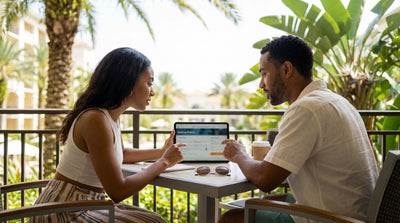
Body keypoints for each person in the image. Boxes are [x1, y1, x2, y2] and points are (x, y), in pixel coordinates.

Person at [219, 35, 379, 223]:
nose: (261, 84)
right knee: (261, 202)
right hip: (356, 215)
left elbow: (265, 180)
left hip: (332, 219)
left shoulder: (306, 109)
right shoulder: (335, 101)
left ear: (286, 69)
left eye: (264, 74)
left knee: (231, 218)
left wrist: (239, 155)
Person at [31, 47, 185, 223]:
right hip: (63, 211)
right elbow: (117, 191)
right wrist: (164, 162)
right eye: (149, 83)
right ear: (128, 82)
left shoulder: (109, 117)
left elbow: (122, 154)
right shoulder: (95, 119)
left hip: (85, 204)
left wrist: (161, 152)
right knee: (153, 221)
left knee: (153, 219)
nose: (153, 91)